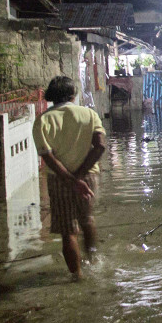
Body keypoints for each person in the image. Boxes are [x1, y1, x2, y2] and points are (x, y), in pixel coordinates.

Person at [32, 76, 107, 280]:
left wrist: (71, 180)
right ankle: (94, 262)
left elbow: (48, 157)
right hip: (88, 177)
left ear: (51, 96)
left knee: (68, 231)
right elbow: (100, 145)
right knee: (87, 219)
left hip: (59, 180)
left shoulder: (43, 120)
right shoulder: (89, 114)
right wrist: (80, 176)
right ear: (73, 95)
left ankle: (77, 276)